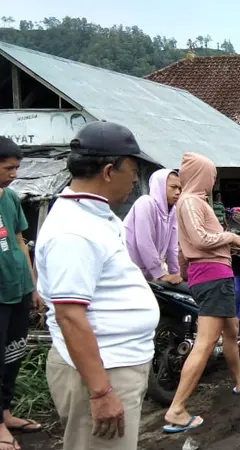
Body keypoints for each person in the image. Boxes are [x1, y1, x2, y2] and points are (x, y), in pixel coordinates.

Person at [35, 122, 159, 450]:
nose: (135, 180)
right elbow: (70, 317)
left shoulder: (95, 217)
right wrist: (102, 391)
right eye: (133, 170)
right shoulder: (73, 232)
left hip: (115, 364)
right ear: (108, 171)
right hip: (101, 370)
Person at [163, 152, 240, 433]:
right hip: (212, 275)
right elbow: (200, 240)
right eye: (211, 175)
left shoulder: (191, 204)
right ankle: (177, 409)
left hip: (211, 274)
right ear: (200, 176)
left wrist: (182, 273)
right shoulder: (192, 202)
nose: (213, 180)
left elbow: (184, 249)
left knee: (231, 329)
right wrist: (230, 238)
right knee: (206, 342)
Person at [0, 138, 43, 450]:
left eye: (16, 167)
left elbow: (18, 239)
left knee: (13, 351)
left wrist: (32, 285)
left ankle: (5, 412)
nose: (14, 173)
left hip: (17, 287)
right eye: (7, 168)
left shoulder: (11, 198)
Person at [123, 169, 182, 284]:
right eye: (173, 187)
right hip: (128, 270)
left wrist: (175, 274)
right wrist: (160, 274)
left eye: (179, 188)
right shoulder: (146, 203)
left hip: (148, 274)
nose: (178, 192)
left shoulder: (172, 211)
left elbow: (172, 247)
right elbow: (144, 241)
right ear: (159, 186)